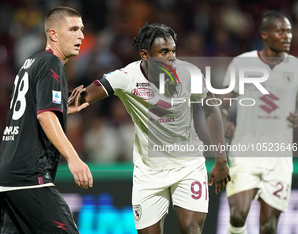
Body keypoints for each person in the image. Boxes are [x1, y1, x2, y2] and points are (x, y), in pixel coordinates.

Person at [72, 23, 231, 234]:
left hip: (188, 166)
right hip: (148, 172)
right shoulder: (127, 77)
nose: (171, 57)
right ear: (145, 55)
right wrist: (61, 105)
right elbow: (89, 94)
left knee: (190, 228)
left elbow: (211, 111)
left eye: (173, 50)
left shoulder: (189, 73)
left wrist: (221, 159)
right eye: (164, 52)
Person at [0, 6, 92, 234]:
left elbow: (29, 109)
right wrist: (73, 158)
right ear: (53, 34)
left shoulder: (31, 63)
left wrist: (62, 107)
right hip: (28, 176)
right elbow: (45, 115)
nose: (81, 36)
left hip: (7, 175)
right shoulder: (51, 63)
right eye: (73, 29)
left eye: (82, 29)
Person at [220, 12, 298, 234]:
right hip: (245, 154)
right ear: (265, 34)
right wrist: (224, 119)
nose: (287, 36)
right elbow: (222, 100)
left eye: (289, 31)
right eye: (281, 31)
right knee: (237, 215)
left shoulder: (295, 67)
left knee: (269, 226)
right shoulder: (242, 63)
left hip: (280, 159)